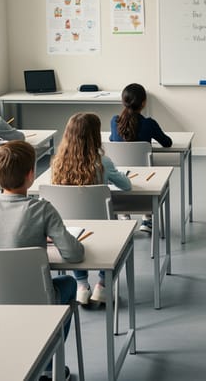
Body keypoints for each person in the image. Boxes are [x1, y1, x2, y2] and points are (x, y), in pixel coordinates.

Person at [0, 141, 82, 380]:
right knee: (68, 284)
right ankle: (48, 364)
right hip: (36, 301)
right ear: (31, 175)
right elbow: (74, 255)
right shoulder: (43, 209)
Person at [51, 112, 131, 306]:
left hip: (70, 228)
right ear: (95, 136)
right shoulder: (103, 163)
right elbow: (126, 186)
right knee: (118, 234)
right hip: (103, 227)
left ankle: (81, 286)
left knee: (76, 238)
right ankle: (102, 285)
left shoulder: (57, 164)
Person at [110, 83, 171, 233]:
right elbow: (167, 143)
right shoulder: (149, 124)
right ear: (143, 103)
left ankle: (124, 216)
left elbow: (112, 140)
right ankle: (147, 219)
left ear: (123, 101)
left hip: (120, 177)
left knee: (125, 173)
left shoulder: (114, 121)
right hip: (146, 178)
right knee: (147, 174)